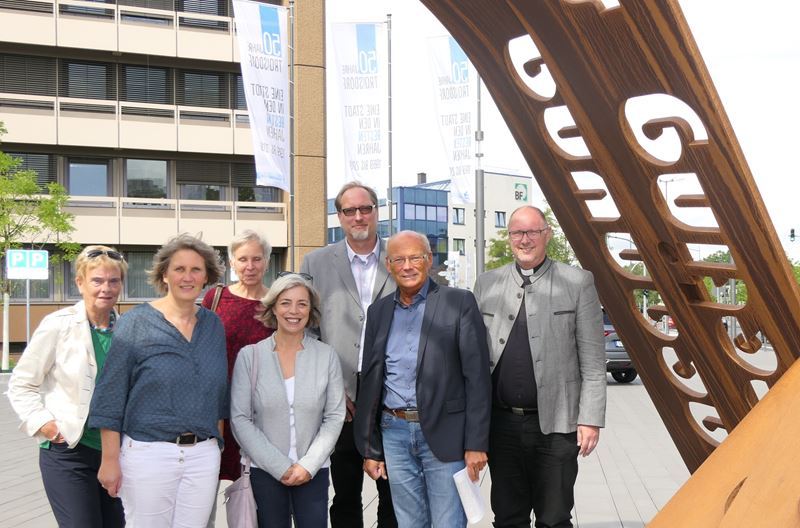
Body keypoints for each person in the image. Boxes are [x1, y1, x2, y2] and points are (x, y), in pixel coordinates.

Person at [473, 206, 606, 528]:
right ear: (509, 238)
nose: (525, 239)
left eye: (533, 231)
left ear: (546, 234)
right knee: (507, 517)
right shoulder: (486, 284)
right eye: (518, 232)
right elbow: (472, 359)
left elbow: (593, 361)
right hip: (501, 425)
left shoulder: (577, 282)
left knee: (554, 517)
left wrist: (590, 419)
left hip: (557, 426)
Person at [88, 234, 228, 527]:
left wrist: (217, 443)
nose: (187, 277)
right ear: (164, 274)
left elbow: (218, 392)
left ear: (207, 276)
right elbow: (110, 394)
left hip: (202, 456)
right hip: (149, 455)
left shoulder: (213, 325)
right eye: (179, 269)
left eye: (196, 270)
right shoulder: (135, 322)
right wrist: (110, 460)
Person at [354, 230, 491, 528]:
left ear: (429, 260)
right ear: (388, 265)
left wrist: (476, 443)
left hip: (446, 435)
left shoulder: (459, 302)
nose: (407, 266)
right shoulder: (378, 312)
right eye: (399, 259)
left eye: (415, 257)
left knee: (447, 522)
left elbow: (478, 379)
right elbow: (371, 382)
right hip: (394, 433)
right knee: (409, 523)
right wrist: (370, 448)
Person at [7, 245, 128, 528]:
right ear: (80, 282)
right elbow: (21, 383)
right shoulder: (58, 325)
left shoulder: (128, 330)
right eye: (97, 280)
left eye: (114, 281)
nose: (106, 288)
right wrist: (45, 424)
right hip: (69, 452)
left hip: (116, 454)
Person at [300, 181, 397, 527]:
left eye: (365, 208)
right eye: (349, 210)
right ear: (339, 216)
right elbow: (306, 330)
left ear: (376, 211)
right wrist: (330, 387)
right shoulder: (315, 262)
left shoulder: (398, 257)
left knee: (392, 491)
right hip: (339, 394)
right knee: (344, 492)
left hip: (391, 393)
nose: (359, 216)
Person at [230, 273, 345, 527]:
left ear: (310, 310)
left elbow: (335, 416)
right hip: (264, 470)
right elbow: (240, 418)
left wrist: (308, 465)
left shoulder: (326, 356)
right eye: (285, 302)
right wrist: (279, 466)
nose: (294, 311)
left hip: (312, 470)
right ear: (273, 308)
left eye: (302, 303)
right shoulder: (251, 357)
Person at [201, 231, 274, 484]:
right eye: (243, 259)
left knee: (256, 488)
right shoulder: (216, 298)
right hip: (219, 406)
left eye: (257, 259)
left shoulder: (276, 302)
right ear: (232, 262)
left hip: (259, 409)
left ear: (266, 261)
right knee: (207, 482)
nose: (250, 266)